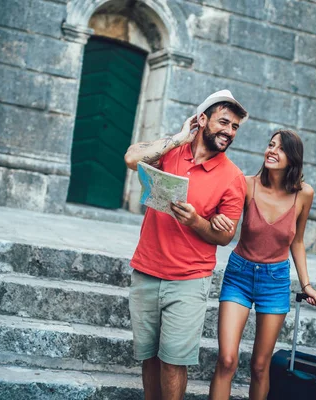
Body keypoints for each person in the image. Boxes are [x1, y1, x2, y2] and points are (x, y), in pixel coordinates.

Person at [123, 90, 249, 400]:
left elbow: (224, 237)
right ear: (201, 120)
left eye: (234, 127)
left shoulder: (233, 178)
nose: (229, 132)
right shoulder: (171, 153)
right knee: (149, 357)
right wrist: (179, 138)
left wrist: (196, 221)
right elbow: (130, 158)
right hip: (147, 270)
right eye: (223, 122)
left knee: (173, 362)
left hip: (189, 279)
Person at [207, 129, 316, 400]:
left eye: (280, 148)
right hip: (239, 275)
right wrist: (215, 219)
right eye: (270, 145)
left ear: (293, 158)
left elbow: (298, 241)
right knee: (226, 359)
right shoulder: (247, 185)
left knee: (260, 366)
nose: (272, 151)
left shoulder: (304, 194)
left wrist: (306, 284)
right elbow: (222, 219)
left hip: (275, 281)